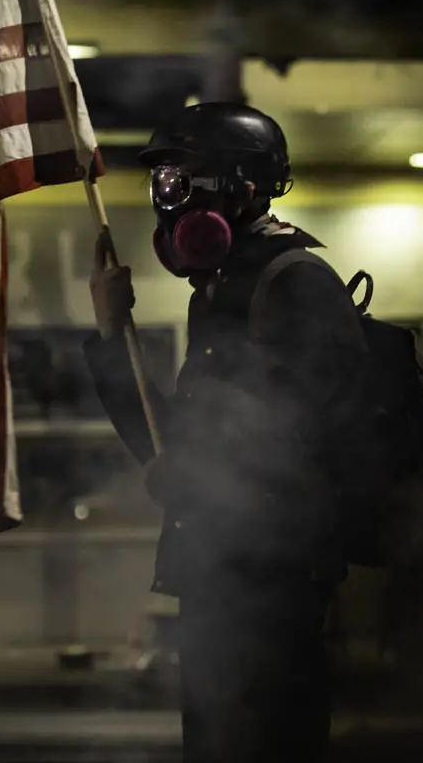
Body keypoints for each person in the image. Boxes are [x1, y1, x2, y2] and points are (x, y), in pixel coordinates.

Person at [84, 102, 365, 763]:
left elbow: (310, 447)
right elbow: (172, 443)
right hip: (220, 582)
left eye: (181, 182)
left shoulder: (296, 285)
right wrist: (110, 335)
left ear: (241, 187)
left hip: (273, 590)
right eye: (162, 184)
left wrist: (201, 479)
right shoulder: (218, 291)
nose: (167, 201)